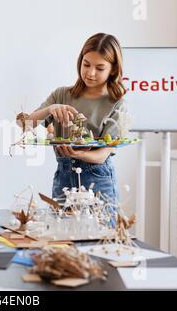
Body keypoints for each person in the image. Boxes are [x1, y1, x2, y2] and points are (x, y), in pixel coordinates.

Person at [29, 33, 126, 207]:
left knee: (101, 234)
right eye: (86, 64)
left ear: (113, 69)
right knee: (62, 232)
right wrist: (50, 109)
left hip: (98, 179)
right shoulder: (61, 95)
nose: (90, 73)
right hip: (64, 177)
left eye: (100, 68)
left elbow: (102, 155)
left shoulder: (116, 104)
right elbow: (25, 124)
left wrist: (78, 154)